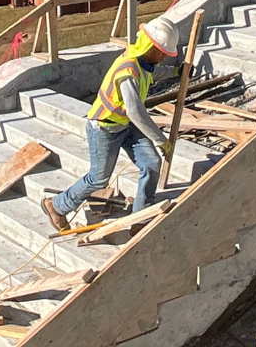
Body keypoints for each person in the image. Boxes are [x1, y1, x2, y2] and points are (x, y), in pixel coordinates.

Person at [41, 17, 178, 232]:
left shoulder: (145, 63)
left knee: (151, 163)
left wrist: (177, 72)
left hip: (125, 126)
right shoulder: (128, 69)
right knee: (98, 179)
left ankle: (140, 217)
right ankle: (57, 205)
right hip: (104, 127)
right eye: (162, 51)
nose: (163, 56)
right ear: (150, 46)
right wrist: (160, 139)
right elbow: (135, 111)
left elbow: (155, 73)